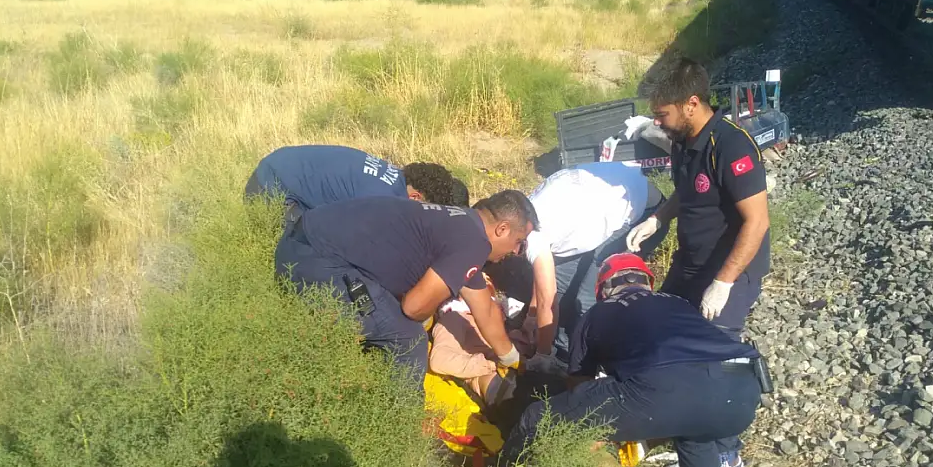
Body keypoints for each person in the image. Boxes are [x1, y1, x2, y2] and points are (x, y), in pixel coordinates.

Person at [499, 253, 764, 467]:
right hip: (741, 392)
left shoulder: (597, 313)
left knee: (535, 416)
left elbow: (580, 386)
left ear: (603, 289)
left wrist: (600, 427)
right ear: (648, 283)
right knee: (696, 434)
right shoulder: (678, 303)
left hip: (668, 386)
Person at [624, 58, 771, 467]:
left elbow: (756, 222)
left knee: (716, 357)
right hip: (692, 260)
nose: (657, 120)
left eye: (662, 112)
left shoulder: (731, 146)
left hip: (731, 269)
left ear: (691, 103)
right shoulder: (683, 140)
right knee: (664, 335)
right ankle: (676, 423)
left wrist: (723, 282)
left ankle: (726, 454)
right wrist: (661, 218)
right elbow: (689, 193)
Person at [274, 190, 539, 389]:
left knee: (395, 315)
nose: (516, 251)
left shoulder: (460, 222)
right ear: (501, 229)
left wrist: (511, 357)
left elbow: (486, 309)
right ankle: (401, 428)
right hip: (316, 264)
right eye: (518, 241)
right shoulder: (474, 244)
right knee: (409, 339)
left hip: (304, 239)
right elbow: (414, 307)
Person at [523, 161, 665, 369]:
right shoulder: (524, 213)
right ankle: (563, 349)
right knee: (561, 282)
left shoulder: (533, 232)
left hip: (645, 213)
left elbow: (547, 300)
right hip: (608, 203)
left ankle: (587, 363)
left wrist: (541, 356)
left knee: (587, 298)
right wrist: (531, 316)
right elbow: (545, 279)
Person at [246, 144, 467, 226]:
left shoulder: (392, 176)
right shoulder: (383, 200)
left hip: (279, 166)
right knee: (304, 251)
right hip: (271, 188)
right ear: (416, 197)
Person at [428, 256, 537, 408]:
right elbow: (439, 361)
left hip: (514, 372)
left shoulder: (492, 318)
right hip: (495, 382)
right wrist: (492, 364)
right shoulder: (454, 318)